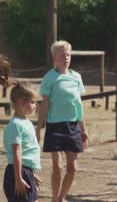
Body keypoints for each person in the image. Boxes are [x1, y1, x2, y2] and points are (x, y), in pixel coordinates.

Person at [36, 40, 89, 202]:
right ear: (55, 57)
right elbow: (44, 104)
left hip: (73, 125)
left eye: (68, 54)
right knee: (57, 167)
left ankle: (61, 197)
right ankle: (54, 198)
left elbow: (78, 105)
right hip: (55, 126)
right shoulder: (49, 78)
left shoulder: (76, 77)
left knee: (73, 168)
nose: (66, 58)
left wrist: (84, 130)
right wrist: (38, 128)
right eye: (62, 55)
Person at [1, 55, 42, 202]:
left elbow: (25, 155)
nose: (35, 105)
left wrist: (31, 174)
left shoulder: (26, 122)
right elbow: (17, 153)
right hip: (17, 173)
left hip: (25, 172)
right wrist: (19, 178)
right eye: (33, 102)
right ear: (21, 101)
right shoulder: (15, 125)